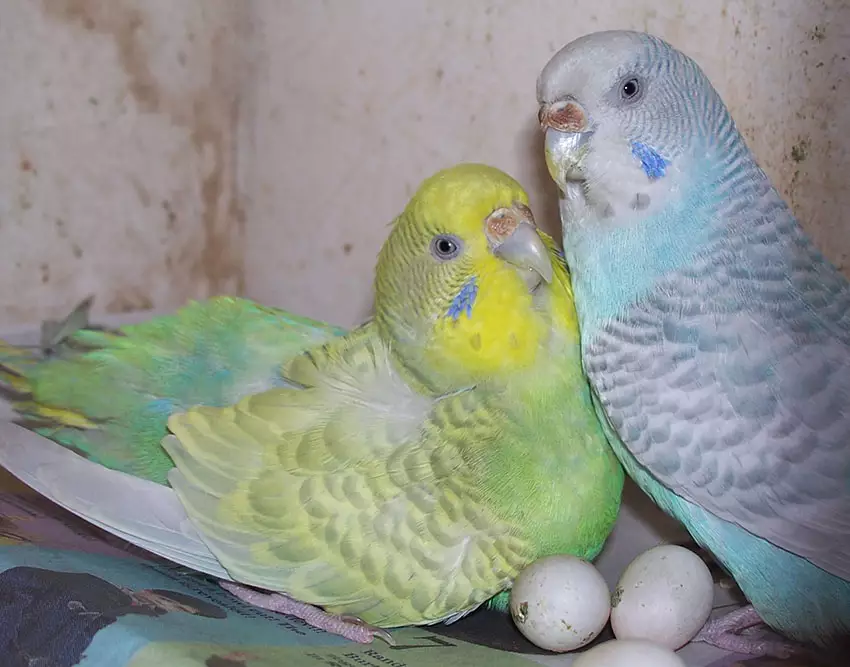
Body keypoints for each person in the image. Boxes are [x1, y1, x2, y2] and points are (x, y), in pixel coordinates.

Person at [0, 565, 226, 666]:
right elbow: (18, 582)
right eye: (172, 604)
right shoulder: (96, 588)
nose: (166, 610)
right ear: (150, 592)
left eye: (177, 611)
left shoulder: (125, 616)